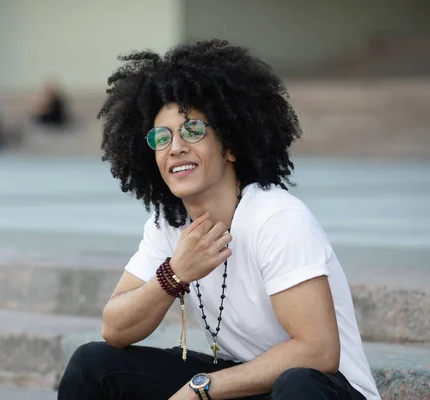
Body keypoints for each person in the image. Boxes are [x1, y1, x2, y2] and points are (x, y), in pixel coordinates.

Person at [57, 39, 380, 400]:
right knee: (94, 366)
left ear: (230, 145)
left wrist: (202, 389)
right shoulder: (168, 224)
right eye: (161, 138)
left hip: (321, 390)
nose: (175, 147)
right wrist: (173, 275)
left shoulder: (277, 218)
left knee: (296, 384)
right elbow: (115, 328)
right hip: (248, 384)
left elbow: (318, 352)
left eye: (192, 131)